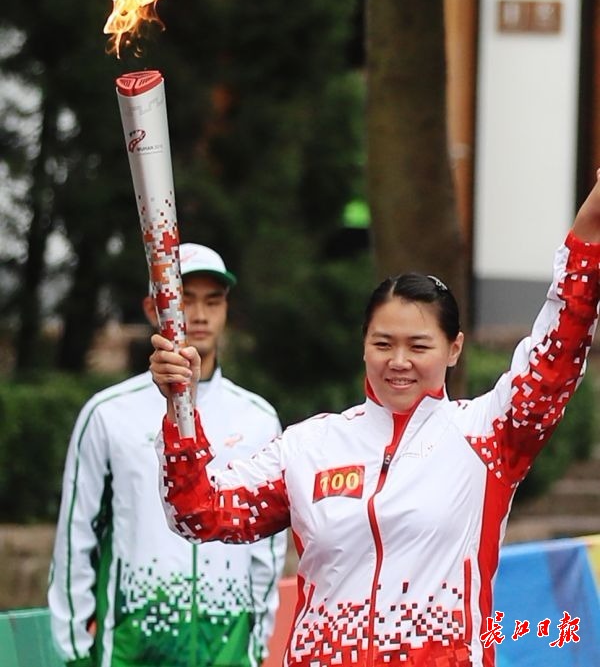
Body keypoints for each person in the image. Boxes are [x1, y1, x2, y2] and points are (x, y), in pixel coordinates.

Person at [149, 174, 600, 667]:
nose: (398, 361)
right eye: (383, 344)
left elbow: (557, 354)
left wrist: (588, 233)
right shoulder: (309, 446)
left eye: (419, 346)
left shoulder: (487, 435)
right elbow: (198, 511)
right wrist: (181, 408)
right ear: (363, 345)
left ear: (454, 349)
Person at [48, 243, 287, 667]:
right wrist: (76, 652)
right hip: (132, 652)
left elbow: (267, 551)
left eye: (212, 301)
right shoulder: (107, 414)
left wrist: (255, 648)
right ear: (150, 308)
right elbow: (76, 536)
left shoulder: (259, 418)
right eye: (183, 301)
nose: (198, 315)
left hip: (227, 651)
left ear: (226, 309)